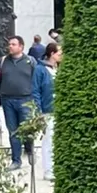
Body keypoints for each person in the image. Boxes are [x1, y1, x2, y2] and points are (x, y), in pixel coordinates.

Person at [0, 35, 37, 170]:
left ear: (21, 47)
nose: (10, 46)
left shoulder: (30, 61)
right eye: (9, 44)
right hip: (8, 100)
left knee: (27, 128)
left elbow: (36, 80)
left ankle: (29, 149)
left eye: (13, 44)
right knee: (13, 131)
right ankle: (16, 160)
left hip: (26, 99)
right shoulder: (3, 61)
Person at [32, 42, 62, 180]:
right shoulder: (40, 70)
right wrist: (38, 110)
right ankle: (48, 169)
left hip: (59, 110)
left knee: (58, 140)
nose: (61, 56)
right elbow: (35, 90)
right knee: (48, 140)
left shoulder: (59, 69)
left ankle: (58, 167)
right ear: (52, 54)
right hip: (47, 109)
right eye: (59, 53)